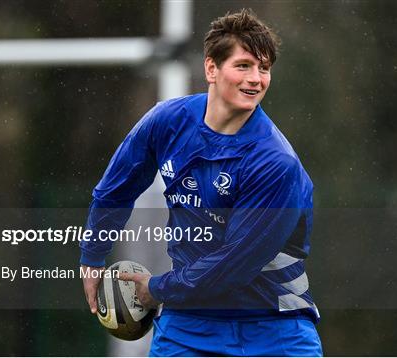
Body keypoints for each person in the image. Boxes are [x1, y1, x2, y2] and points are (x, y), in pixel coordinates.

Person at [81, 9, 323, 356]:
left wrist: (155, 289)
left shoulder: (275, 163)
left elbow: (232, 266)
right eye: (243, 65)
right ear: (211, 68)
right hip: (188, 326)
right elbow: (115, 189)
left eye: (264, 68)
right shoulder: (167, 122)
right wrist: (92, 257)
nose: (256, 78)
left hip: (273, 330)